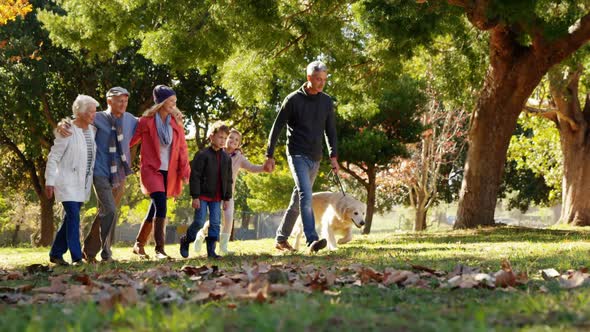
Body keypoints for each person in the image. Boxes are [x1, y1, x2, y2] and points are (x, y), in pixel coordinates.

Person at [264, 60, 339, 253]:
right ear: (308, 78)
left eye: (324, 79)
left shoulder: (326, 101)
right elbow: (277, 126)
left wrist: (333, 156)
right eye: (317, 79)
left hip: (315, 156)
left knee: (297, 200)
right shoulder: (293, 100)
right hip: (296, 154)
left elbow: (330, 131)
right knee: (306, 195)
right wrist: (269, 154)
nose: (321, 83)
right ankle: (311, 239)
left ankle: (281, 238)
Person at [58, 87, 137, 263]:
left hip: (119, 174)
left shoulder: (131, 119)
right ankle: (106, 253)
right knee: (109, 209)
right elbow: (77, 123)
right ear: (109, 101)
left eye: (125, 100)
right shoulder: (97, 118)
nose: (123, 104)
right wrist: (63, 124)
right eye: (119, 100)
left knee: (107, 212)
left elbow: (148, 124)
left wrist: (173, 116)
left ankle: (89, 249)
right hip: (99, 172)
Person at [130, 85, 190, 260]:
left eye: (175, 101)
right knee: (161, 205)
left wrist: (185, 171)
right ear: (162, 102)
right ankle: (159, 250)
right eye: (170, 101)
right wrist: (117, 154)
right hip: (151, 170)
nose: (174, 104)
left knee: (154, 208)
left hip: (168, 172)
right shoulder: (146, 121)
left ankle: (139, 244)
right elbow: (131, 141)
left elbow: (182, 149)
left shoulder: (176, 123)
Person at [192, 128, 266, 255]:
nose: (233, 141)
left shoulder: (239, 158)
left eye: (237, 140)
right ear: (225, 138)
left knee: (228, 218)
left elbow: (252, 167)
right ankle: (201, 234)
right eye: (231, 137)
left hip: (227, 194)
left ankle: (223, 247)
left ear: (239, 144)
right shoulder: (215, 152)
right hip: (213, 193)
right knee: (215, 220)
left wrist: (264, 167)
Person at [45, 95, 99, 266]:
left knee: (70, 218)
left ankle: (56, 253)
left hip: (82, 184)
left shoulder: (92, 130)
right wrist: (49, 181)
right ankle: (76, 257)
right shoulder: (67, 130)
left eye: (94, 111)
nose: (94, 115)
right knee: (74, 217)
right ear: (80, 113)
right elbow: (53, 157)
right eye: (90, 111)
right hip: (66, 182)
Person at [180, 121, 232, 259]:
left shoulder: (226, 158)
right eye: (220, 137)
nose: (223, 141)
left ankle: (211, 251)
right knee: (199, 221)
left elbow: (228, 179)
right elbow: (195, 177)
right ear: (211, 137)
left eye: (225, 138)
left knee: (215, 223)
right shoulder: (202, 155)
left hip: (217, 198)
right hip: (202, 195)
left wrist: (227, 198)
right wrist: (195, 196)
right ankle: (186, 240)